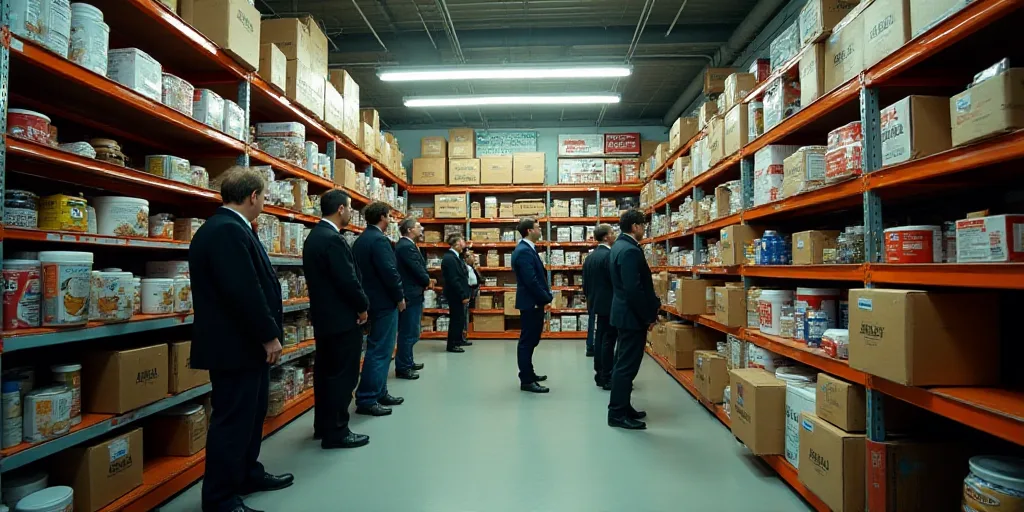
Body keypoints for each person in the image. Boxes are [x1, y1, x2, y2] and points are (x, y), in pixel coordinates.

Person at [189, 167, 293, 512]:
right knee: (233, 420)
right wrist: (268, 336)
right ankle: (219, 499)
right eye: (263, 196)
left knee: (251, 414)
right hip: (235, 346)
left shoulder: (231, 228)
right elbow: (242, 291)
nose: (264, 202)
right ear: (253, 197)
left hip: (243, 346)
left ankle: (247, 473)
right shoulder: (225, 232)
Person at [303, 189, 370, 449]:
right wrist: (362, 307)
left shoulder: (314, 237)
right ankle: (338, 432)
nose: (352, 212)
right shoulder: (333, 239)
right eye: (350, 207)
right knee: (343, 376)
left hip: (324, 319)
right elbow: (347, 280)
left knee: (326, 374)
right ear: (340, 209)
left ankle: (324, 425)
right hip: (342, 320)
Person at [608, 209, 661, 430]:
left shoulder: (618, 246)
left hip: (623, 315)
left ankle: (623, 405)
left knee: (623, 363)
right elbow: (634, 289)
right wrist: (648, 316)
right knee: (626, 367)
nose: (644, 230)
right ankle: (617, 414)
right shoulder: (629, 250)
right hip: (631, 317)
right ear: (635, 227)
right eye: (643, 225)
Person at [352, 201, 406, 417]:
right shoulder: (379, 241)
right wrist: (399, 297)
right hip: (383, 302)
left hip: (369, 300)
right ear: (383, 217)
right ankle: (367, 398)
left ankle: (380, 391)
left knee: (378, 348)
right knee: (381, 349)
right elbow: (390, 273)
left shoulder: (360, 240)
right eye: (390, 216)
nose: (391, 220)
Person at [511, 217, 553, 393]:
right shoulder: (523, 251)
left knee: (532, 340)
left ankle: (529, 373)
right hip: (531, 302)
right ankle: (526, 380)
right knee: (527, 341)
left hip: (533, 301)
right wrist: (545, 298)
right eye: (537, 227)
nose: (540, 230)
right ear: (529, 231)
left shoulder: (528, 249)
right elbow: (531, 281)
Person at [394, 217, 430, 379]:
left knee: (412, 331)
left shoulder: (409, 245)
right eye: (418, 226)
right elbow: (416, 268)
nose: (421, 228)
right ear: (409, 230)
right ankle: (403, 367)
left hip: (414, 293)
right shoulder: (405, 247)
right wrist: (427, 281)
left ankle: (408, 361)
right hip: (410, 295)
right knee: (408, 332)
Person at [583, 224, 617, 390]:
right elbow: (615, 282)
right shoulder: (609, 256)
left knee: (600, 338)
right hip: (609, 304)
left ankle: (599, 374)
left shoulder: (590, 257)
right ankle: (607, 376)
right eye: (612, 233)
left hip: (596, 303)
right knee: (609, 341)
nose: (614, 235)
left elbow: (585, 284)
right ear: (605, 237)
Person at [441, 233, 470, 353]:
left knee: (460, 318)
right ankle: (452, 344)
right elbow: (454, 279)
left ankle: (458, 339)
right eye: (462, 241)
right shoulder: (449, 258)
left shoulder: (456, 257)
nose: (464, 243)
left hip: (459, 293)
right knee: (456, 319)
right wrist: (462, 295)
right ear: (457, 243)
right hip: (455, 294)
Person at [461, 248, 482, 345]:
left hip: (470, 293)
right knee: (463, 315)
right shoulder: (463, 267)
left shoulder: (470, 267)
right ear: (465, 258)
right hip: (465, 293)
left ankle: (463, 336)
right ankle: (461, 337)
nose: (473, 258)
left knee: (466, 314)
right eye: (470, 256)